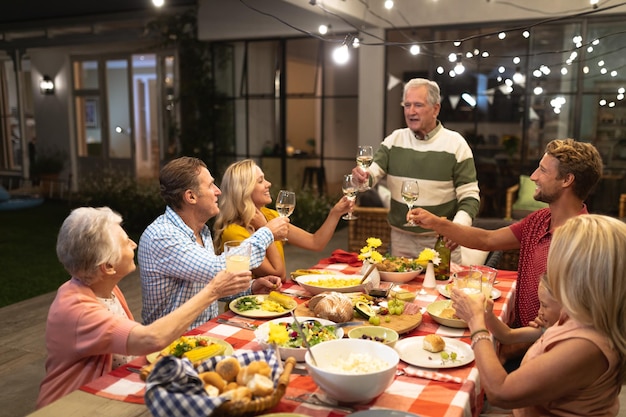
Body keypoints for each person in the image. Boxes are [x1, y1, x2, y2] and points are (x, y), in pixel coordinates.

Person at [37, 207, 254, 408]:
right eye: (125, 242)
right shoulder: (78, 309)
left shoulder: (101, 287)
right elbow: (152, 339)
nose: (134, 243)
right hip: (74, 406)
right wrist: (213, 291)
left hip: (111, 390)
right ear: (108, 267)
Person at [409, 139, 603, 331]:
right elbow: (488, 240)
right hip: (518, 335)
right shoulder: (539, 219)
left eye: (543, 170)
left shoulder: (583, 242)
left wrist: (511, 346)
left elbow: (571, 323)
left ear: (567, 180)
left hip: (541, 349)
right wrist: (436, 222)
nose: (534, 176)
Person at [451, 214, 626, 416]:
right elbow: (509, 335)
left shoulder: (587, 346)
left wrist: (476, 322)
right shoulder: (577, 316)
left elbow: (501, 392)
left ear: (581, 275)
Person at [138, 157, 289, 330]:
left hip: (204, 334)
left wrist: (251, 288)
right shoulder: (163, 236)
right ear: (191, 196)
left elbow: (211, 284)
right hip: (172, 344)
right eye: (210, 185)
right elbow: (218, 268)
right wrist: (267, 232)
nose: (218, 191)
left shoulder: (201, 231)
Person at [351, 78, 480, 263]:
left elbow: (470, 197)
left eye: (418, 105)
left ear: (436, 109)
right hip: (401, 239)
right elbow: (371, 175)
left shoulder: (456, 144)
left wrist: (457, 229)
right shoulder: (394, 140)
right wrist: (360, 179)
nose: (411, 111)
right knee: (401, 292)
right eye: (407, 105)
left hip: (441, 240)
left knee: (443, 291)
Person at [212, 159, 353, 281]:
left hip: (274, 302)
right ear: (244, 190)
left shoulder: (270, 215)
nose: (269, 184)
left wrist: (335, 213)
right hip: (248, 308)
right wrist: (266, 229)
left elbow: (315, 242)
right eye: (260, 181)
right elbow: (278, 274)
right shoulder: (234, 233)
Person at [484, 273, 561, 346]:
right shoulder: (545, 328)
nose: (539, 311)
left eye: (544, 305)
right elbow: (508, 335)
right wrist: (489, 315)